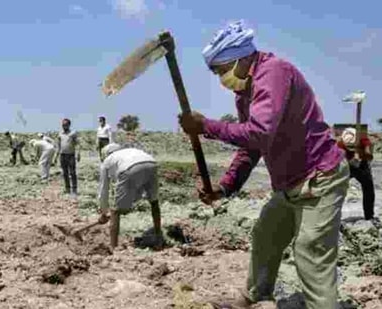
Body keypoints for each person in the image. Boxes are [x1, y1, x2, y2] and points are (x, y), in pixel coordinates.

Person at [178, 21, 350, 308]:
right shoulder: (246, 93)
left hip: (319, 178)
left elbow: (259, 131)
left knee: (310, 250)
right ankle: (256, 296)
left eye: (222, 70)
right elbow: (252, 147)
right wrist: (225, 186)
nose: (222, 78)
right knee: (266, 236)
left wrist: (205, 126)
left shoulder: (273, 73)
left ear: (242, 58)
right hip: (289, 184)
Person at [96, 143, 162, 249]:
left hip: (129, 168)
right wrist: (128, 205)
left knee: (115, 211)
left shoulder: (107, 161)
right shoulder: (129, 151)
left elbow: (103, 190)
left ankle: (114, 247)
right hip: (151, 163)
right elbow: (137, 189)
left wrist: (104, 212)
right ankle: (159, 238)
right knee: (154, 201)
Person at [337, 127, 375, 220]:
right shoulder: (340, 144)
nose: (351, 149)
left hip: (362, 166)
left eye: (353, 146)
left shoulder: (363, 140)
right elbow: (338, 158)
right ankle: (335, 217)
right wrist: (350, 161)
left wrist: (362, 157)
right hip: (347, 165)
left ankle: (369, 216)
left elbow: (369, 155)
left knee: (368, 189)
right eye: (349, 147)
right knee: (337, 188)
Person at [57, 118, 80, 195]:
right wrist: (57, 155)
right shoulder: (60, 133)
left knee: (72, 172)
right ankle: (67, 189)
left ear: (69, 125)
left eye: (66, 125)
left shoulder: (73, 133)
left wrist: (78, 153)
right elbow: (59, 144)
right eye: (63, 125)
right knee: (65, 173)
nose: (64, 126)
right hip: (62, 155)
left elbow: (77, 144)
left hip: (71, 155)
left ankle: (74, 189)